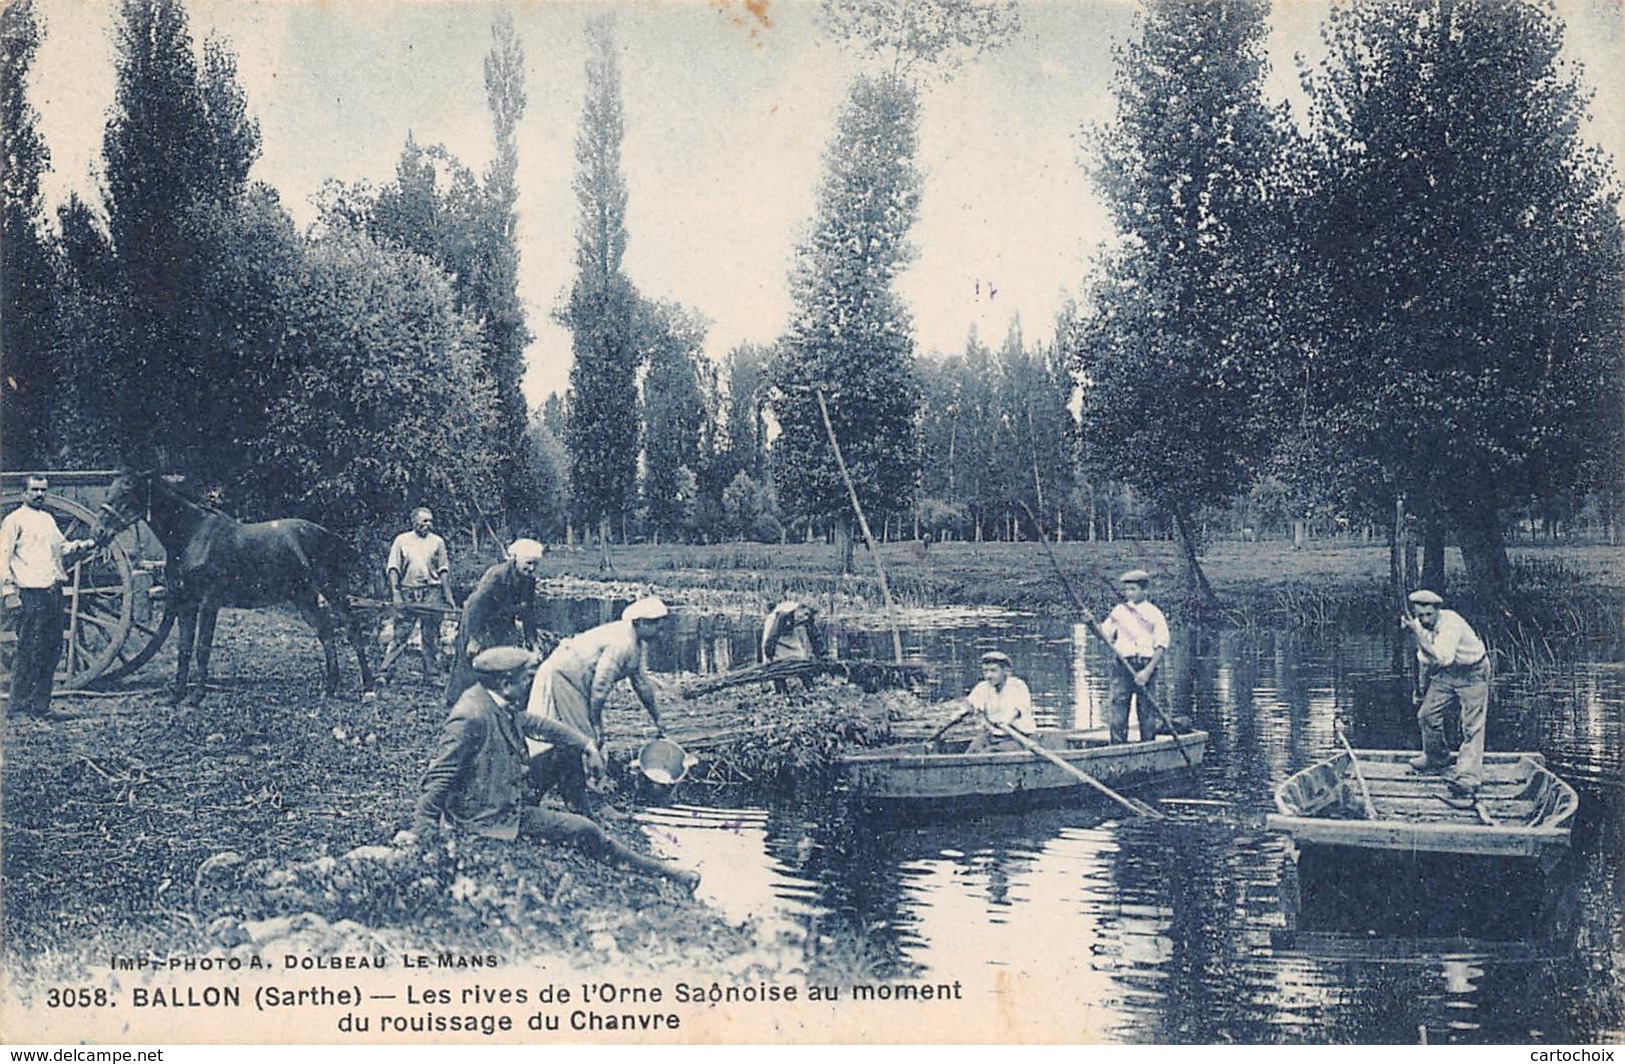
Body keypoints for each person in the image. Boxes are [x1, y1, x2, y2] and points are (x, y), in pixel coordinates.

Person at [408, 646, 696, 888]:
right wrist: (424, 839)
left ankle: (585, 811)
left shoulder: (492, 697)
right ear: (507, 682)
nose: (529, 685)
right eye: (525, 679)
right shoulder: (471, 717)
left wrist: (586, 745)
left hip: (503, 791)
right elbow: (439, 778)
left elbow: (536, 724)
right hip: (488, 816)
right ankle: (665, 873)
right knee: (585, 831)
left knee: (566, 753)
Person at [524, 596, 670, 817]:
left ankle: (559, 796)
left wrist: (657, 718)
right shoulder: (622, 642)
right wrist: (596, 722)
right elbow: (600, 688)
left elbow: (641, 683)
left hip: (575, 683)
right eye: (657, 628)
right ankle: (593, 801)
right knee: (585, 738)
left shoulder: (637, 642)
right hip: (563, 678)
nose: (660, 634)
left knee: (570, 741)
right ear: (640, 622)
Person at [2, 476, 98, 721]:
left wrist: (85, 544)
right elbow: (2, 560)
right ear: (24, 492)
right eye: (34, 489)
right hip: (29, 593)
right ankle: (18, 708)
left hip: (52, 593)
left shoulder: (47, 520)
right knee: (28, 651)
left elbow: (61, 548)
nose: (39, 494)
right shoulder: (14, 521)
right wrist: (9, 593)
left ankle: (41, 706)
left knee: (52, 650)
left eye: (43, 490)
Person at [1401, 589, 1490, 797]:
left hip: (1473, 671)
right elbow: (1424, 662)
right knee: (1426, 714)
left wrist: (1416, 633)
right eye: (1420, 615)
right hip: (1448, 673)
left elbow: (1442, 658)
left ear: (1438, 610)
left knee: (1472, 725)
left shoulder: (1450, 624)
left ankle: (1468, 778)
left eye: (1428, 614)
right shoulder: (1420, 625)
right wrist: (1420, 691)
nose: (1424, 620)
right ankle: (1436, 758)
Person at [444, 539, 545, 705]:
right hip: (478, 619)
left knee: (507, 659)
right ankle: (458, 701)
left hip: (503, 620)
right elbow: (477, 605)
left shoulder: (529, 581)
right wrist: (474, 638)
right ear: (515, 559)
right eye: (528, 563)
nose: (532, 568)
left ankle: (498, 699)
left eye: (535, 565)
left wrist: (533, 642)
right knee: (471, 661)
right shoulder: (497, 575)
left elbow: (528, 613)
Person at [1098, 569, 1170, 743]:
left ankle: (1147, 746)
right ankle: (1117, 747)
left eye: (1134, 589)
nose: (1129, 593)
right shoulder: (1119, 611)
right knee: (1118, 707)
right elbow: (1105, 634)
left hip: (1146, 665)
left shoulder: (1154, 613)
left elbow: (1161, 645)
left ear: (1145, 591)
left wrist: (1147, 671)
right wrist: (1093, 625)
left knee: (1146, 709)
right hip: (1123, 665)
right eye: (1127, 589)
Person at [385, 507, 456, 683]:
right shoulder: (402, 540)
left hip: (432, 591)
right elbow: (393, 567)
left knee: (430, 635)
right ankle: (385, 672)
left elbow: (443, 570)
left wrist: (448, 597)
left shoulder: (437, 542)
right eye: (424, 521)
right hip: (408, 590)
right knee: (401, 633)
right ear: (414, 521)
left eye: (430, 521)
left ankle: (431, 675)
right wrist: (396, 593)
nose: (428, 525)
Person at [963, 650, 1036, 752]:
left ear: (1006, 671)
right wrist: (973, 711)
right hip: (991, 735)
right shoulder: (982, 687)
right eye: (985, 671)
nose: (988, 675)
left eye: (993, 671)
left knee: (989, 753)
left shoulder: (1018, 686)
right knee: (972, 749)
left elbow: (1016, 713)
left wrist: (1003, 722)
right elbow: (971, 706)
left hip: (1017, 736)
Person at [760, 600, 827, 692]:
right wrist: (769, 654)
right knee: (778, 663)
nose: (804, 618)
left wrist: (821, 653)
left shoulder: (806, 618)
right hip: (774, 628)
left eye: (808, 616)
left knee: (799, 658)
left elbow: (814, 635)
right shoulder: (783, 614)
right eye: (804, 614)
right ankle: (781, 690)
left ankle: (810, 687)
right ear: (799, 608)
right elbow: (773, 636)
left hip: (789, 630)